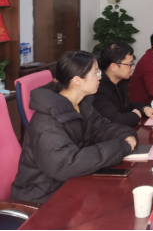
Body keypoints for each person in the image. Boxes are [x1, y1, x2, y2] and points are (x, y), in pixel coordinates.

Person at [11, 51, 139, 204]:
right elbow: (67, 164)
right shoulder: (47, 124)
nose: (100, 76)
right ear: (77, 80)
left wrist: (126, 134)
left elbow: (103, 128)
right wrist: (120, 146)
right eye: (95, 72)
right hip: (42, 197)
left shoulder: (81, 104)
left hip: (71, 184)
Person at [95, 41, 153, 127]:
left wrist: (144, 108)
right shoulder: (98, 88)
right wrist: (135, 116)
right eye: (129, 64)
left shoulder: (121, 81)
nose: (132, 68)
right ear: (113, 67)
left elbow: (126, 106)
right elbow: (115, 120)